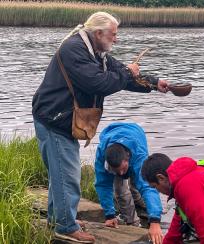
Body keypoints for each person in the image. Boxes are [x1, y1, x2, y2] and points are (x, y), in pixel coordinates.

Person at [32, 11, 168, 243]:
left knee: (60, 173)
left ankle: (61, 218)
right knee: (68, 175)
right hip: (54, 119)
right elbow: (100, 83)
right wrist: (127, 73)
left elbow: (121, 75)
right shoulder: (74, 50)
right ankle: (65, 227)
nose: (116, 39)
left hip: (62, 120)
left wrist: (154, 84)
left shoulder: (96, 52)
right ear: (98, 33)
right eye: (113, 34)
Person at [94, 122, 163, 244]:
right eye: (116, 170)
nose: (120, 173)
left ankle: (144, 207)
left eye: (123, 169)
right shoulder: (101, 155)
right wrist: (109, 215)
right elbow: (103, 185)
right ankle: (132, 223)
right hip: (111, 135)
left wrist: (155, 220)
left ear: (128, 158)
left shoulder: (138, 155)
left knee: (138, 183)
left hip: (136, 133)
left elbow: (148, 187)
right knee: (120, 189)